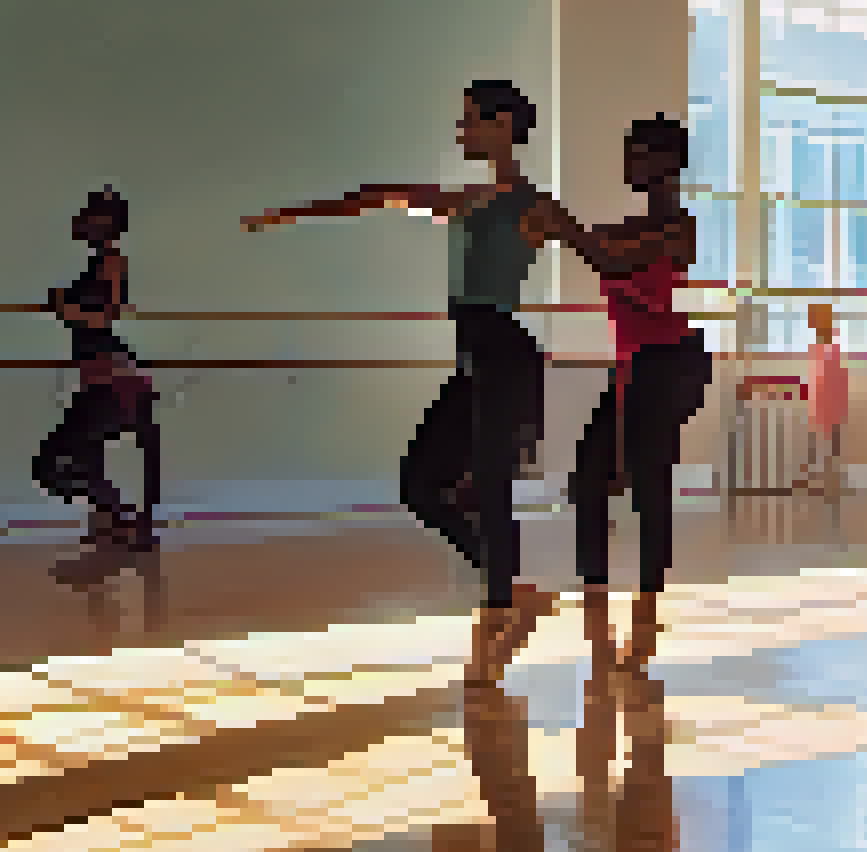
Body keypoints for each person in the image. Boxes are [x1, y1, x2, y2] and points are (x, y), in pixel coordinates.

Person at [243, 79, 583, 683]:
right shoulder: (467, 201)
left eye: (472, 120)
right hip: (476, 359)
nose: (461, 130)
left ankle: (496, 624)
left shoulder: (535, 207)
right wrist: (295, 212)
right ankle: (515, 595)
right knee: (422, 485)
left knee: (490, 490)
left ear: (504, 125)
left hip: (505, 356)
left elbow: (602, 255)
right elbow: (385, 195)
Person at [559, 115, 712, 671]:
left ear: (667, 163)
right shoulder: (628, 226)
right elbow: (606, 251)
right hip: (631, 365)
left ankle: (646, 611)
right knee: (588, 481)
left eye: (637, 155)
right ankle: (596, 609)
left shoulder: (680, 228)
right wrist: (575, 234)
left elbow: (611, 258)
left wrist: (566, 227)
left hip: (671, 363)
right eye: (627, 154)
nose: (627, 164)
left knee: (649, 484)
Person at [35, 187, 162, 554]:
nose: (84, 222)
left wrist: (65, 309)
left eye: (92, 216)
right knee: (67, 460)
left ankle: (124, 521)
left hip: (112, 377)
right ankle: (119, 521)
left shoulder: (111, 260)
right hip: (101, 376)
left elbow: (108, 314)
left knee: (55, 462)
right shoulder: (99, 262)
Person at [803, 303, 849, 494]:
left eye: (813, 319)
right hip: (821, 404)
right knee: (821, 445)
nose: (810, 323)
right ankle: (824, 480)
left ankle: (831, 482)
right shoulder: (819, 346)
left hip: (829, 405)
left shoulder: (831, 347)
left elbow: (835, 378)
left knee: (829, 446)